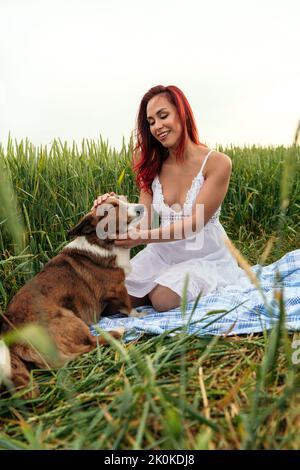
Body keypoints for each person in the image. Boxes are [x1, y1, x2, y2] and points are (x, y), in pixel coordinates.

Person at [93, 85, 251, 312]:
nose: (157, 126)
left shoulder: (217, 163)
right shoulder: (152, 164)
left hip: (204, 256)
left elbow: (194, 224)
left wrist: (140, 238)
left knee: (163, 299)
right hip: (162, 254)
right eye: (151, 122)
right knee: (107, 300)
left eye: (163, 116)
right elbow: (144, 221)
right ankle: (151, 286)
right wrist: (114, 205)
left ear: (182, 113)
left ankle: (157, 289)